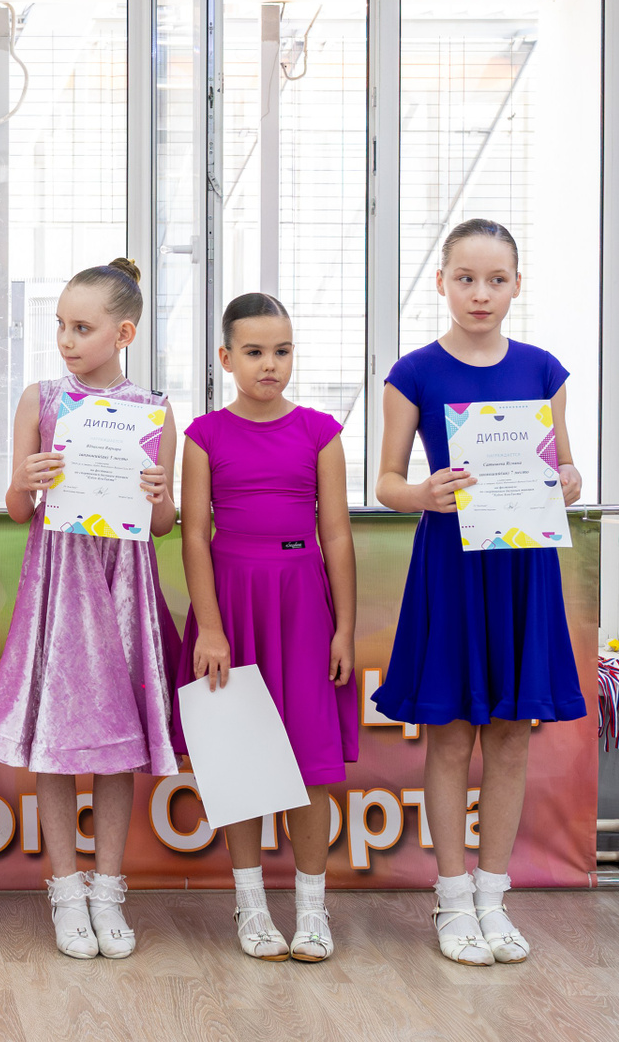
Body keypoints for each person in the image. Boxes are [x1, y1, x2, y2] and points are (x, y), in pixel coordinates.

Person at [372, 218, 586, 966]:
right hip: (452, 567)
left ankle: (494, 899)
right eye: (466, 278)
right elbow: (387, 481)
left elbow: (567, 469)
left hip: (523, 566)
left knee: (510, 735)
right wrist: (423, 493)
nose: (480, 293)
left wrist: (567, 479)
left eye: (496, 279)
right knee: (452, 735)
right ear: (441, 283)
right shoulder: (414, 373)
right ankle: (453, 900)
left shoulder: (543, 370)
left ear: (517, 285)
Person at [0, 259, 180, 960]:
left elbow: (163, 525)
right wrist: (24, 482)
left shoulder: (154, 410)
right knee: (57, 739)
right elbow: (17, 509)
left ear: (123, 333)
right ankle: (65, 889)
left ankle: (109, 888)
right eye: (61, 325)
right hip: (60, 582)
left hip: (123, 583)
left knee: (117, 742)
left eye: (83, 328)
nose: (66, 339)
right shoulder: (41, 399)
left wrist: (159, 495)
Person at [177, 292, 358, 963]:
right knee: (241, 759)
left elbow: (336, 535)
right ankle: (251, 907)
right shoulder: (203, 436)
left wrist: (344, 628)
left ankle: (311, 910)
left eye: (281, 351)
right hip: (232, 602)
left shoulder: (320, 432)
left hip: (303, 604)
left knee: (311, 764)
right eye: (254, 352)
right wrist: (210, 629)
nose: (270, 364)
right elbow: (193, 537)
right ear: (227, 359)